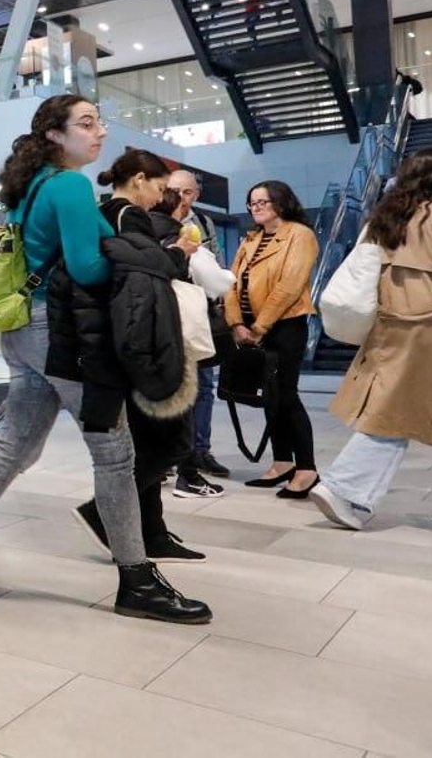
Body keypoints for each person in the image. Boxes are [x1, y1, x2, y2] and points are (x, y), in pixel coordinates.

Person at [0, 96, 210, 625]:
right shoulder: (71, 185)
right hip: (63, 333)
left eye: (99, 122)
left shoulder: (28, 190)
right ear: (55, 135)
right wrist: (144, 255)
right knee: (115, 454)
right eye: (86, 124)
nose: (99, 132)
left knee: (14, 450)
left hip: (27, 330)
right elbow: (88, 268)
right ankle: (136, 580)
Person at [79, 149, 208, 564]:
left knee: (151, 438)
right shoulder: (126, 216)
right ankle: (105, 511)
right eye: (158, 188)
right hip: (141, 340)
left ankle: (152, 532)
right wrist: (178, 255)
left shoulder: (105, 213)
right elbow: (145, 271)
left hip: (126, 338)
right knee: (172, 442)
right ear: (138, 180)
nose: (160, 197)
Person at [311, 150, 432, 529]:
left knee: (394, 411)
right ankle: (343, 486)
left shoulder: (387, 219)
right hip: (429, 325)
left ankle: (347, 489)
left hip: (392, 325)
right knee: (394, 416)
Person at [225, 180, 320, 499]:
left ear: (281, 201)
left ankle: (306, 469)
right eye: (252, 203)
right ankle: (282, 463)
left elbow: (290, 286)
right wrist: (237, 323)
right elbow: (230, 283)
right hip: (250, 328)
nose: (257, 207)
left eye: (263, 201)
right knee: (270, 395)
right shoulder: (250, 239)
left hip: (285, 326)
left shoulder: (300, 235)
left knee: (287, 394)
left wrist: (260, 327)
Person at [165, 169, 231, 489]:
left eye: (187, 192)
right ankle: (170, 456)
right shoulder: (156, 220)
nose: (181, 198)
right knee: (172, 387)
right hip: (170, 313)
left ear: (196, 194)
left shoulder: (204, 223)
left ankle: (199, 451)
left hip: (201, 312)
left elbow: (216, 262)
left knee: (204, 386)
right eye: (175, 191)